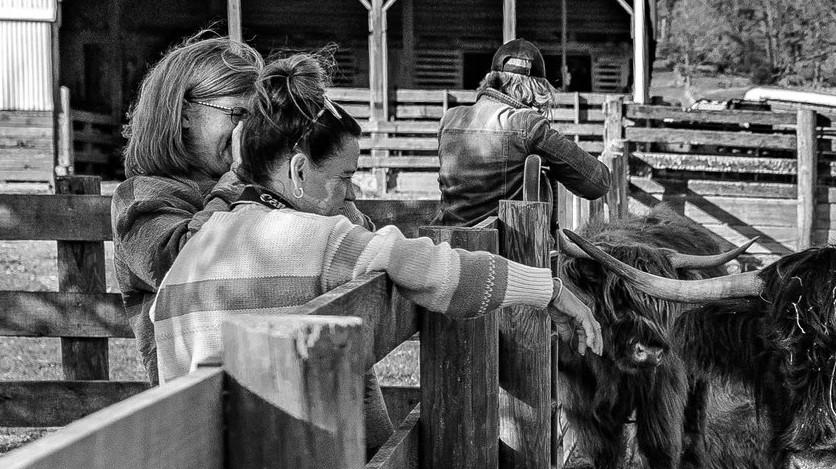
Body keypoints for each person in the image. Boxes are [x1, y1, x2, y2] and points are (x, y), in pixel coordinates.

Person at [151, 50, 602, 400]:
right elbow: (440, 270)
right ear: (299, 172)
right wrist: (551, 290)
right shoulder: (320, 239)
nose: (351, 194)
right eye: (344, 178)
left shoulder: (193, 251)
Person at [109, 35, 264, 381]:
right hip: (195, 402)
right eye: (238, 114)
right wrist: (236, 182)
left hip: (268, 377)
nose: (247, 132)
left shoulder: (249, 187)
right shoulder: (140, 197)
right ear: (183, 115)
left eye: (256, 119)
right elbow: (186, 268)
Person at [436, 39, 613, 227]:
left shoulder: (450, 119)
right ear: (535, 87)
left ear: (491, 79)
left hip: (446, 240)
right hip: (503, 248)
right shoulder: (526, 123)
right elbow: (598, 183)